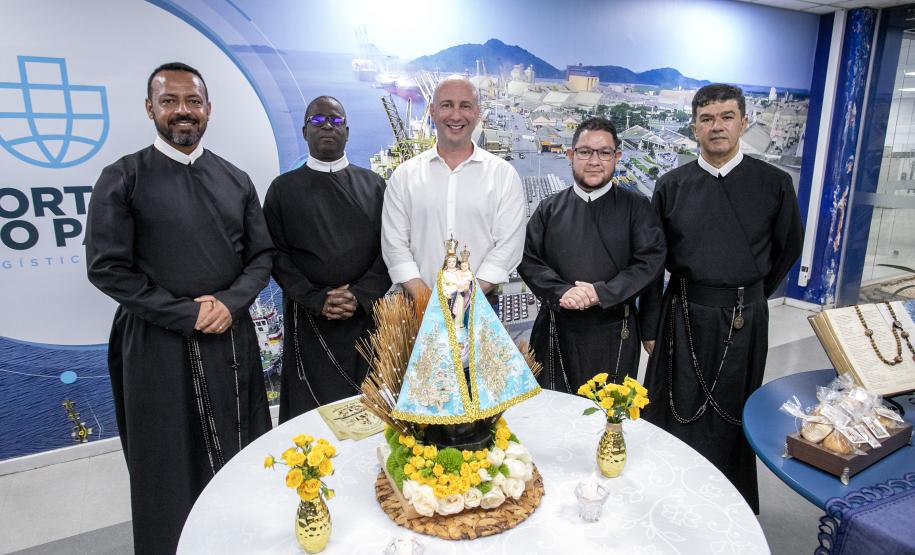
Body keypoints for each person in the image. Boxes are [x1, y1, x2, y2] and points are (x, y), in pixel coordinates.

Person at [85, 62, 274, 554]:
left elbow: (261, 257)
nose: (182, 112)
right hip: (154, 345)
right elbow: (108, 268)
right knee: (164, 465)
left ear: (208, 109)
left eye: (193, 101)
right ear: (150, 108)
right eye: (169, 101)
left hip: (230, 339)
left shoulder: (235, 179)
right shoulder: (122, 177)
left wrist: (229, 303)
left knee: (240, 451)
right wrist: (187, 314)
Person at [640, 84, 804, 513]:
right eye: (707, 119)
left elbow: (787, 248)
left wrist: (749, 297)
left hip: (744, 315)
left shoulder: (774, 183)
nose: (717, 127)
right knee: (675, 404)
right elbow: (654, 262)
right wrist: (651, 324)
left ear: (743, 123)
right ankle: (670, 493)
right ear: (694, 127)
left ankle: (728, 501)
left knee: (734, 405)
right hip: (682, 311)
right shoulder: (671, 185)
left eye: (727, 117)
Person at [263, 96, 390, 421]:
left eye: (335, 120)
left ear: (347, 131)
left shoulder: (374, 185)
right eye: (318, 121)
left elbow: (390, 249)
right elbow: (276, 255)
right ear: (305, 131)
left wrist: (359, 295)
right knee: (310, 419)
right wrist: (316, 298)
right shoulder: (282, 190)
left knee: (370, 414)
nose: (327, 126)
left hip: (365, 319)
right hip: (308, 322)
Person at [518, 117, 665, 392]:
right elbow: (528, 259)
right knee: (553, 414)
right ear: (570, 155)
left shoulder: (638, 207)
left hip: (614, 331)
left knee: (606, 419)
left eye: (604, 152)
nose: (594, 161)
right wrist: (562, 291)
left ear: (617, 157)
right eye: (585, 152)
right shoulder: (549, 208)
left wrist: (601, 293)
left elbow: (650, 263)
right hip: (554, 328)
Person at [381, 76, 525, 304]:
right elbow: (394, 244)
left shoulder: (503, 175)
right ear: (432, 111)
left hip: (481, 305)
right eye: (447, 105)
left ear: (477, 112)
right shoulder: (404, 176)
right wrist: (426, 300)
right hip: (418, 306)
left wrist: (466, 298)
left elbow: (509, 246)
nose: (456, 115)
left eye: (465, 106)